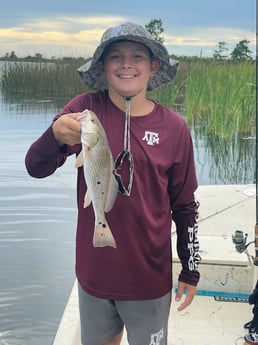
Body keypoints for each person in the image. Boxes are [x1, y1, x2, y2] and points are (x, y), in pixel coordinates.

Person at [25, 22, 201, 345]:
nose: (127, 64)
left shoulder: (175, 128)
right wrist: (54, 136)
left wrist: (190, 270)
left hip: (149, 280)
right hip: (95, 277)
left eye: (137, 56)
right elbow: (35, 167)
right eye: (116, 57)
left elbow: (186, 206)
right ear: (103, 67)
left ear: (153, 66)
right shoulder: (84, 112)